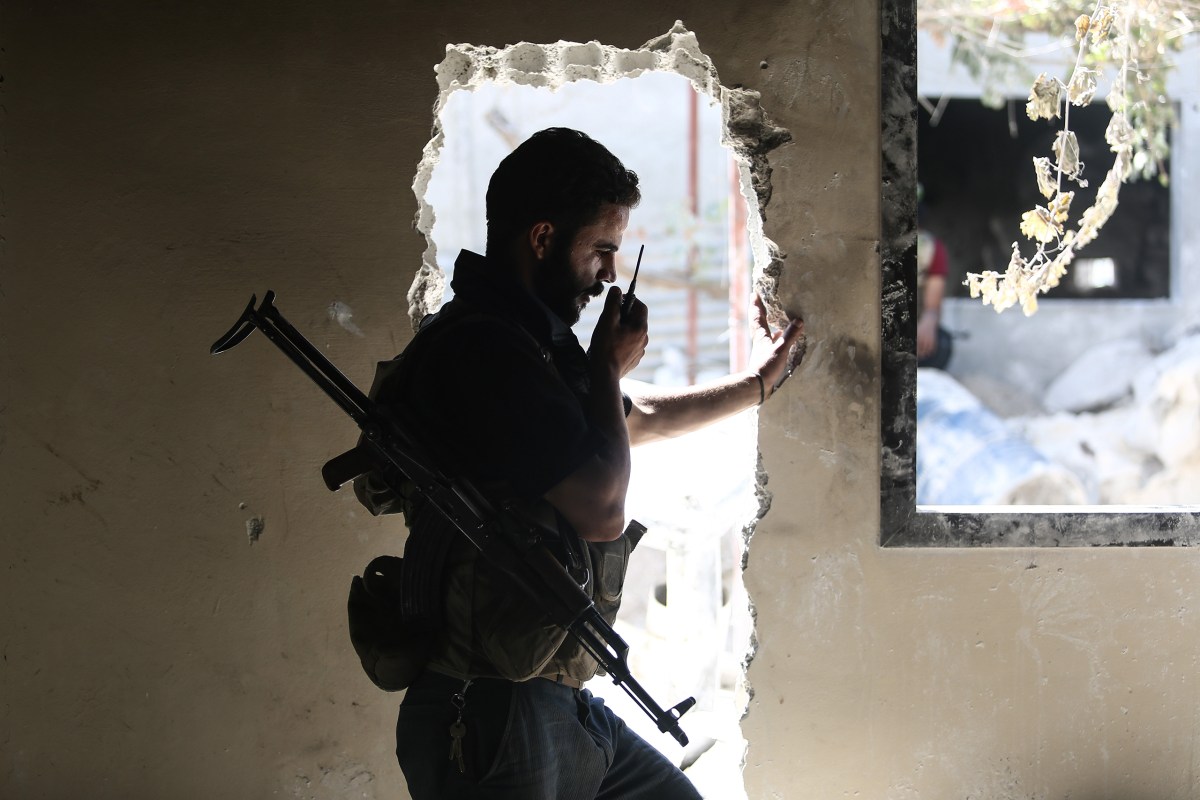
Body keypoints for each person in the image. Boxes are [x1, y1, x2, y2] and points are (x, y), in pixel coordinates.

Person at [354, 127, 805, 800]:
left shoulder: (525, 344)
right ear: (542, 238)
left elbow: (630, 419)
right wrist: (603, 367)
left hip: (551, 700)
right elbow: (601, 507)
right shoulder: (484, 352)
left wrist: (759, 384)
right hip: (491, 711)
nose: (609, 275)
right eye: (601, 249)